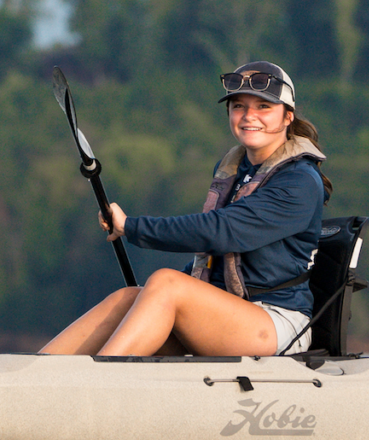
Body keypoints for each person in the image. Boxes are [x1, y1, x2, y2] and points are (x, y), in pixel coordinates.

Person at [40, 60, 329, 357]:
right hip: (225, 313)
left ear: (287, 118)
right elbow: (210, 264)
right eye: (239, 106)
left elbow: (222, 231)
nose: (248, 116)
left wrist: (131, 227)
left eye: (263, 107)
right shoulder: (235, 169)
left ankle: (96, 383)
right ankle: (38, 375)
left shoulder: (300, 181)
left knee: (166, 283)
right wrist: (150, 300)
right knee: (130, 297)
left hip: (277, 323)